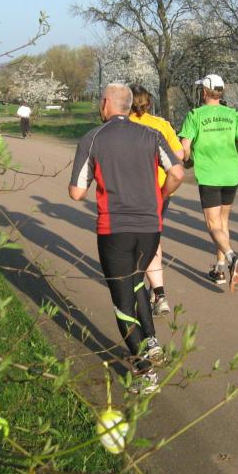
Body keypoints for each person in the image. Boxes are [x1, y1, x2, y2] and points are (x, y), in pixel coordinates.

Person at [69, 83, 184, 394]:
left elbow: (77, 193)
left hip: (114, 230)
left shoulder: (93, 138)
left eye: (100, 100)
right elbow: (178, 172)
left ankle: (145, 373)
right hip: (150, 227)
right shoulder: (152, 135)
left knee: (122, 303)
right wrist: (161, 197)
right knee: (136, 283)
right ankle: (152, 342)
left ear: (107, 103)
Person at [179, 74, 238, 291]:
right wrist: (236, 162)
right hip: (230, 174)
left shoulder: (195, 115)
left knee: (212, 225)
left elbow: (185, 146)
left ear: (204, 92)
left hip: (209, 175)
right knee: (223, 221)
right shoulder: (233, 114)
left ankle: (232, 257)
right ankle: (219, 268)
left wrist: (188, 160)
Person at [129, 84, 185, 315]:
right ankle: (158, 293)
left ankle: (143, 289)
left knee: (134, 241)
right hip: (160, 190)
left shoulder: (122, 126)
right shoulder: (161, 124)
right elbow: (179, 155)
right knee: (153, 238)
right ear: (149, 103)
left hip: (132, 192)